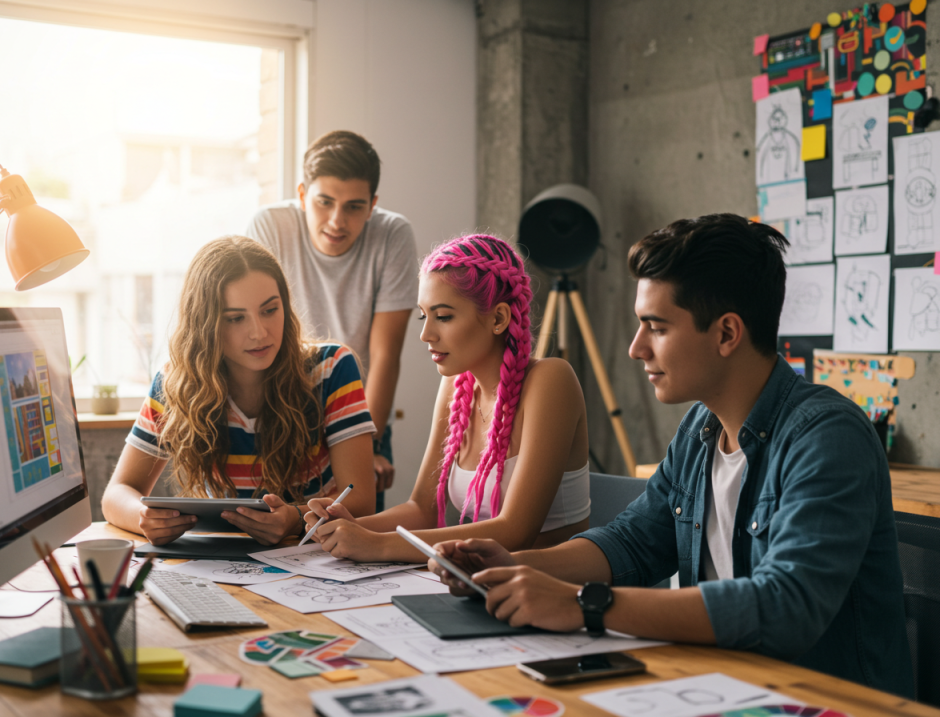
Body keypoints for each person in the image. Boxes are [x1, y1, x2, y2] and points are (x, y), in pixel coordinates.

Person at [427, 214, 913, 697]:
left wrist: (585, 604)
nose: (637, 349)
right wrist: (516, 565)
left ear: (726, 334)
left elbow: (785, 606)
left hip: (818, 701)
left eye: (655, 327)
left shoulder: (827, 436)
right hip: (722, 688)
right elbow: (633, 542)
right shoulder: (700, 430)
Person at [302, 234, 590, 561]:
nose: (426, 335)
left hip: (550, 591)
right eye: (424, 316)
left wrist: (376, 544)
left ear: (498, 319)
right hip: (479, 585)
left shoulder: (551, 381)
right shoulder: (457, 386)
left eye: (444, 316)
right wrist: (352, 526)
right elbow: (422, 510)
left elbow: (515, 531)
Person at [101, 236, 377, 546]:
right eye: (235, 318)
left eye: (270, 310)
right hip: (218, 561)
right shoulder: (175, 384)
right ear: (205, 325)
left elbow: (363, 501)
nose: (259, 332)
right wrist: (144, 518)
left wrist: (295, 520)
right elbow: (116, 494)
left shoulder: (331, 369)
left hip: (311, 557)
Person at [245, 130, 418, 512]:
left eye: (354, 207)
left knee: (350, 538)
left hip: (360, 408)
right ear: (303, 194)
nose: (337, 221)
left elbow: (386, 353)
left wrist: (367, 446)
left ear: (372, 205)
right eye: (324, 202)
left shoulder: (393, 234)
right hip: (283, 407)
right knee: (271, 529)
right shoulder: (270, 226)